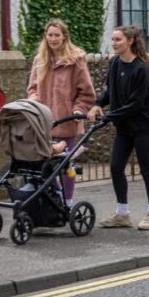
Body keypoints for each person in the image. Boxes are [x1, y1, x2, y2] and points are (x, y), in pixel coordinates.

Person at [87, 26, 149, 230]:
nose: (113, 43)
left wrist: (109, 116)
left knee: (146, 170)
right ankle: (122, 214)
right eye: (112, 39)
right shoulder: (114, 63)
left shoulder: (140, 69)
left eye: (118, 39)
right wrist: (97, 105)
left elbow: (135, 104)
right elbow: (110, 90)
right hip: (124, 126)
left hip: (143, 126)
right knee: (115, 167)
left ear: (130, 41)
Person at [27, 20, 96, 209]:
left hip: (66, 121)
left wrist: (78, 109)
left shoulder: (76, 60)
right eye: (50, 35)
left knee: (65, 166)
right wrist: (33, 99)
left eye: (57, 35)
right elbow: (32, 88)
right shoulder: (39, 60)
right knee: (45, 166)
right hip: (44, 122)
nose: (53, 39)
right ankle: (56, 197)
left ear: (64, 36)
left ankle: (68, 202)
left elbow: (87, 92)